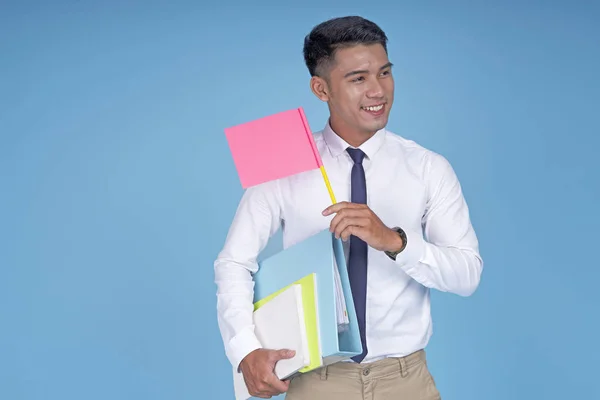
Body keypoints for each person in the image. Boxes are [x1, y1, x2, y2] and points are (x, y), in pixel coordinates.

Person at [214, 15, 483, 400]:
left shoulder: (427, 167)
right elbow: (234, 263)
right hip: (317, 381)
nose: (378, 91)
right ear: (321, 89)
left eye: (385, 73)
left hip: (406, 380)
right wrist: (245, 351)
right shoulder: (284, 161)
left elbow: (467, 274)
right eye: (358, 79)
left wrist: (395, 241)